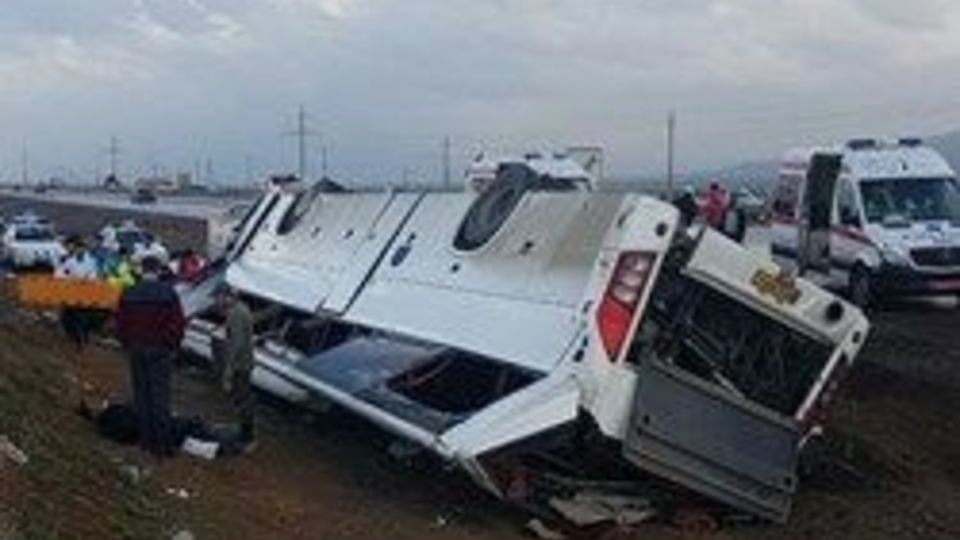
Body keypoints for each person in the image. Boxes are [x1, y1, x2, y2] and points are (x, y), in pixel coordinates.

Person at [114, 256, 186, 456]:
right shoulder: (168, 293)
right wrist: (171, 345)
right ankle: (161, 445)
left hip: (136, 348)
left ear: (141, 270)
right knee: (160, 396)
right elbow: (178, 323)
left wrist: (127, 343)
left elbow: (120, 323)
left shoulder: (128, 292)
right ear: (158, 270)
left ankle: (146, 441)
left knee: (142, 395)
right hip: (160, 350)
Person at [216, 284, 256, 451]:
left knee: (242, 399)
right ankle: (242, 430)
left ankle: (248, 438)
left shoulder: (236, 314)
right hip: (244, 362)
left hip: (240, 364)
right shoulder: (241, 309)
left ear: (227, 296)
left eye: (219, 297)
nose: (217, 301)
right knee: (242, 398)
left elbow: (237, 344)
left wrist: (228, 369)